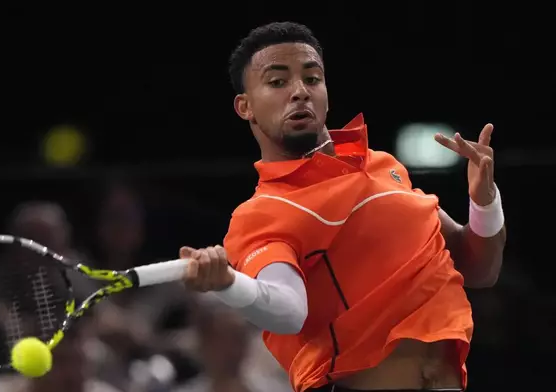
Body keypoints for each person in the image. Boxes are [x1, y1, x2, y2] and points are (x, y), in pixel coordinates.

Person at [179, 22, 506, 392]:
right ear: (245, 106)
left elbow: (479, 268)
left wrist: (485, 201)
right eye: (277, 82)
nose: (300, 92)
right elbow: (288, 311)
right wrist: (228, 283)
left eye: (312, 78)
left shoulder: (384, 168)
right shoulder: (262, 212)